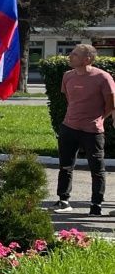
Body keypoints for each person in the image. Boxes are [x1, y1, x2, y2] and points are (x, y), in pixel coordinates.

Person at [54, 44, 115, 215]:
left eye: (74, 54)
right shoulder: (67, 76)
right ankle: (63, 200)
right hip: (69, 127)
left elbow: (111, 104)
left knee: (97, 169)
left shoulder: (103, 78)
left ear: (87, 59)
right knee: (65, 166)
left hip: (92, 131)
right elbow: (69, 98)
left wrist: (99, 119)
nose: (70, 56)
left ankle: (96, 205)